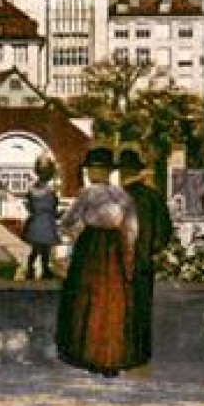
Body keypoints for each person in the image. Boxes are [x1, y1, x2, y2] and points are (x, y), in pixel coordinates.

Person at [55, 146, 138, 376]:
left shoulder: (88, 194)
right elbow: (131, 229)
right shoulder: (122, 195)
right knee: (113, 300)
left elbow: (67, 222)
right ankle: (110, 357)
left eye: (93, 169)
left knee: (90, 297)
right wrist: (128, 252)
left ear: (100, 171)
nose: (92, 173)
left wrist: (71, 237)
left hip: (92, 246)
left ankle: (90, 355)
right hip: (115, 247)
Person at [119, 145, 174, 368]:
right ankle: (142, 354)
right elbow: (164, 232)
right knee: (143, 309)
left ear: (122, 172)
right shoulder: (153, 197)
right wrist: (151, 249)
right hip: (143, 263)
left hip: (119, 263)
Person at [23, 155, 61, 280]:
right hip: (47, 222)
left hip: (35, 222)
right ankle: (44, 270)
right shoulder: (51, 190)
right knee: (45, 248)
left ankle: (31, 268)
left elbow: (29, 206)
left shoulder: (31, 189)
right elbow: (54, 208)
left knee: (36, 248)